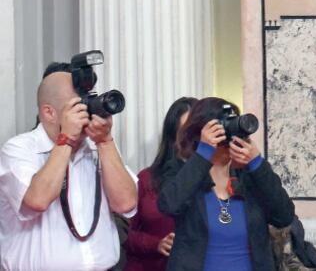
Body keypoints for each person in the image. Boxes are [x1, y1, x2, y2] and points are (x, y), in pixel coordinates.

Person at [0, 63, 138, 271]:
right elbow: (37, 200)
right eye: (77, 106)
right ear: (49, 113)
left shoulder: (97, 146)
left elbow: (126, 203)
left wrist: (105, 142)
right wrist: (65, 140)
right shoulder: (19, 148)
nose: (86, 111)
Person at [157, 98, 295, 271]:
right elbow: (168, 205)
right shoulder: (182, 171)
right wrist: (204, 151)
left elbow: (284, 216)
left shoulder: (249, 176)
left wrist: (257, 164)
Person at [125, 96, 197, 271]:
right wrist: (155, 244)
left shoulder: (216, 181)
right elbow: (124, 234)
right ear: (173, 136)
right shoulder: (146, 178)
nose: (192, 140)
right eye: (186, 131)